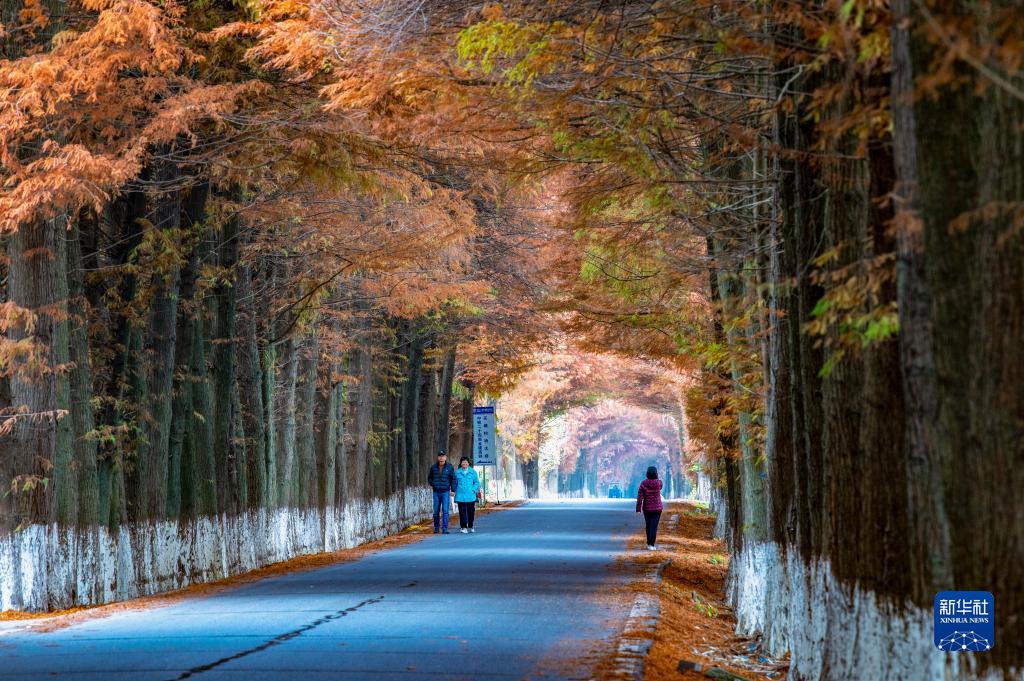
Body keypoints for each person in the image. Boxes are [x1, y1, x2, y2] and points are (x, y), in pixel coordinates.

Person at [427, 450, 456, 534]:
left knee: (445, 511)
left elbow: (453, 479)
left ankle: (444, 529)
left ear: (445, 457)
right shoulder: (433, 467)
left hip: (445, 492)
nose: (441, 458)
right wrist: (433, 484)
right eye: (440, 456)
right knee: (436, 511)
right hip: (436, 492)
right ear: (437, 457)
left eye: (443, 456)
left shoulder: (449, 467)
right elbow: (429, 478)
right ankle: (436, 528)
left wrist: (453, 490)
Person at [636, 466, 664, 550]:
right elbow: (660, 487)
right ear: (656, 473)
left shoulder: (643, 483)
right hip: (657, 509)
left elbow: (640, 497)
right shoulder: (659, 483)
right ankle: (652, 544)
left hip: (647, 508)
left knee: (648, 525)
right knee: (654, 526)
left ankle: (649, 543)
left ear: (647, 473)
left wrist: (638, 509)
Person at [454, 456, 481, 534]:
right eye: (463, 462)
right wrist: (453, 490)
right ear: (461, 463)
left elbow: (476, 482)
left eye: (466, 462)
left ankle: (471, 525)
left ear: (468, 463)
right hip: (460, 495)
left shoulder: (473, 472)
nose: (464, 463)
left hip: (470, 495)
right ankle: (463, 527)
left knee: (471, 511)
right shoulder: (457, 472)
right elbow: (455, 483)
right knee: (462, 512)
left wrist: (473, 490)